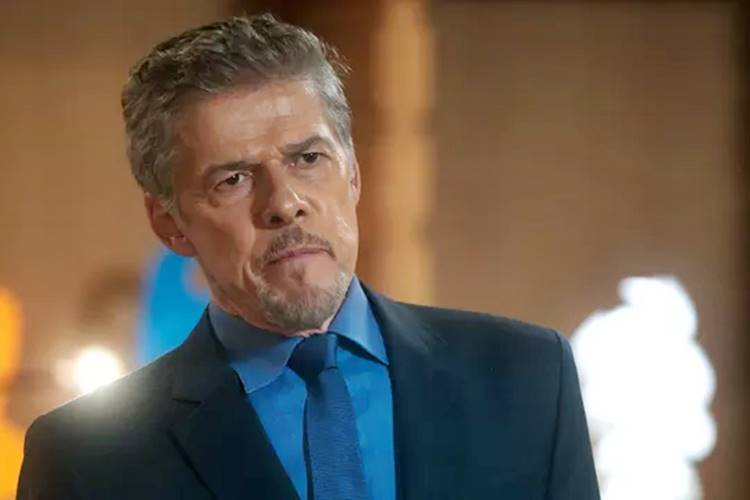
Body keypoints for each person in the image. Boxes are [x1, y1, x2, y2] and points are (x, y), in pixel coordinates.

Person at [17, 14, 599, 500]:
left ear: (354, 173)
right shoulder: (87, 460)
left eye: (308, 159)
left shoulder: (528, 376)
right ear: (169, 223)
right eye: (234, 179)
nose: (284, 203)